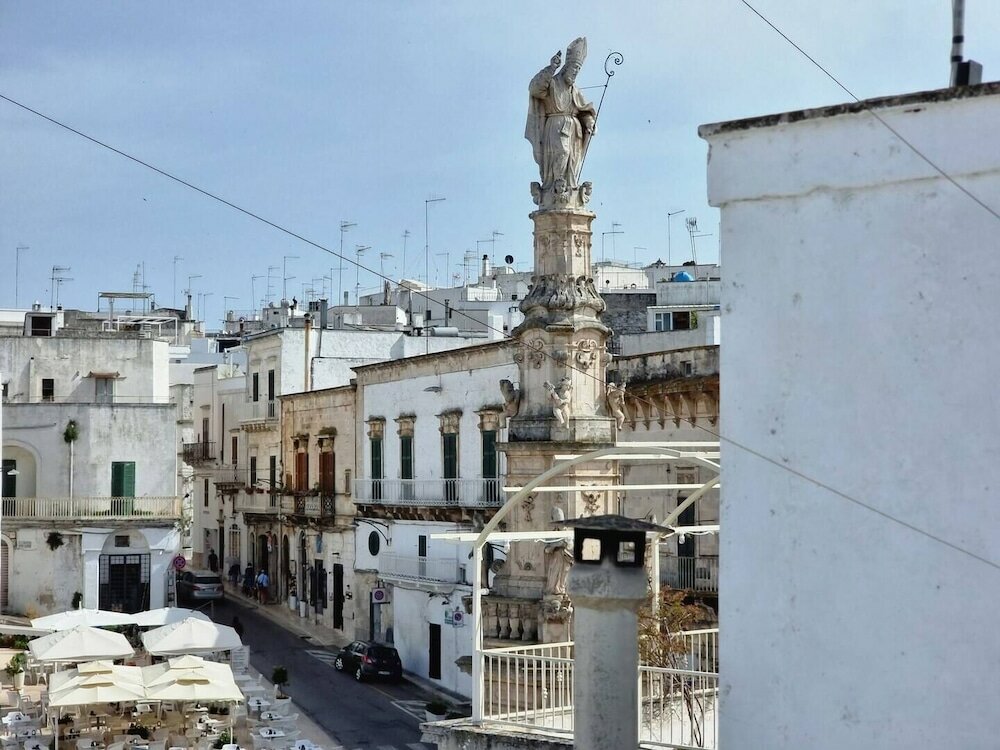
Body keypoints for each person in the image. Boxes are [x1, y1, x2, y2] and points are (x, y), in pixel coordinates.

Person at [525, 37, 597, 195]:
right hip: (555, 127)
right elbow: (534, 89)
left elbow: (583, 110)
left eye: (578, 70)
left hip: (573, 132)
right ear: (566, 67)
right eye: (573, 69)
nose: (575, 73)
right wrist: (551, 69)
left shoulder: (575, 90)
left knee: (573, 159)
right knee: (561, 153)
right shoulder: (552, 84)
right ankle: (554, 188)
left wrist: (589, 121)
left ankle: (569, 189)